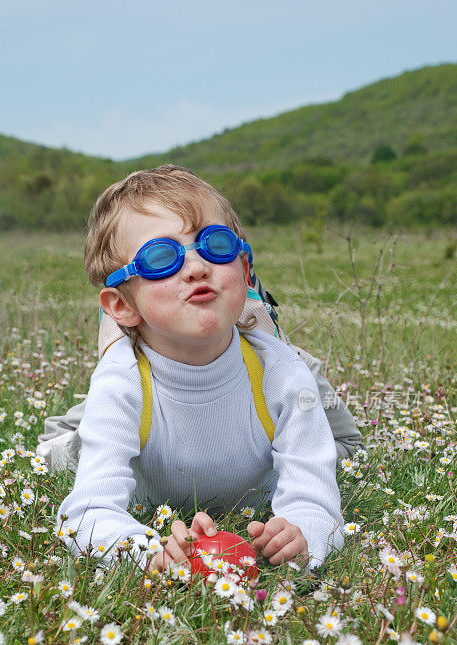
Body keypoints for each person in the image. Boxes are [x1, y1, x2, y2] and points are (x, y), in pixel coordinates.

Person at [51, 165, 359, 574]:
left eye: (214, 245)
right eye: (161, 257)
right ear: (121, 303)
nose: (197, 266)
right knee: (67, 452)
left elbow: (315, 498)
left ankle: (255, 315)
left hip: (261, 364)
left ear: (245, 271)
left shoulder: (284, 375)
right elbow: (88, 512)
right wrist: (145, 554)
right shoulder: (122, 383)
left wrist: (305, 534)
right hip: (137, 390)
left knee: (335, 437)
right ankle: (121, 334)